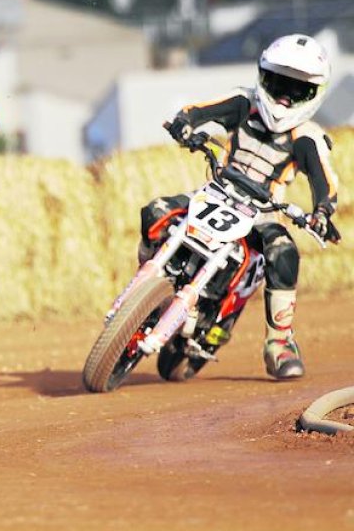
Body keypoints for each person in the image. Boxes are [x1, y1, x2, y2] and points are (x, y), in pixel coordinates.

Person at [141, 33, 341, 380]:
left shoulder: (308, 138)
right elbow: (197, 111)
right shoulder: (242, 102)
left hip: (262, 215)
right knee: (155, 211)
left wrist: (322, 212)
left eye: (297, 90)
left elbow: (325, 183)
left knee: (284, 252)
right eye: (278, 83)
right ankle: (145, 290)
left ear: (314, 95)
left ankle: (279, 342)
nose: (283, 97)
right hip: (215, 194)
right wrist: (183, 124)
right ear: (263, 74)